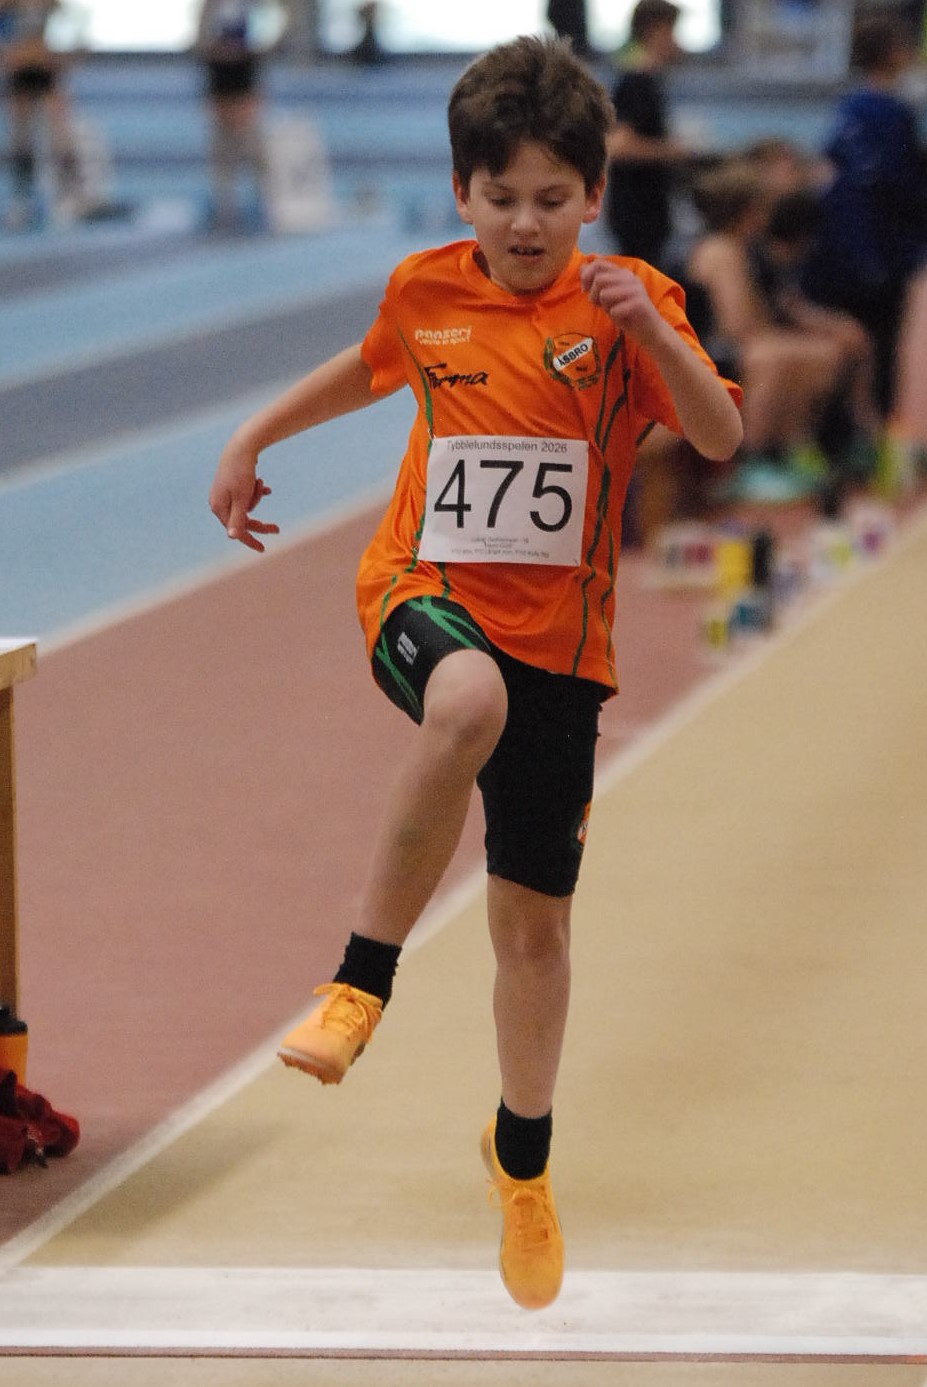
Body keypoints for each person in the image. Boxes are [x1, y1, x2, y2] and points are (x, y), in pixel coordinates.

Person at [209, 35, 742, 1312]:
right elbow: (370, 365)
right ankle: (359, 983)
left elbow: (719, 432)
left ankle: (523, 1159)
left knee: (533, 933)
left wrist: (653, 341)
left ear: (595, 194)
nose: (524, 224)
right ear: (462, 191)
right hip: (422, 592)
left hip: (563, 643)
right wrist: (252, 436)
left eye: (552, 199)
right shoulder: (427, 289)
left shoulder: (630, 303)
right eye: (500, 198)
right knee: (466, 697)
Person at [687, 159, 876, 499]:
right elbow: (736, 327)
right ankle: (749, 461)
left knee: (821, 354)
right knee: (773, 356)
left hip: (747, 341)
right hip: (707, 347)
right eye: (761, 207)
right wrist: (783, 334)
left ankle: (787, 450)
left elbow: (783, 304)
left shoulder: (750, 250)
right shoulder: (719, 251)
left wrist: (821, 328)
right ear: (747, 210)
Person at [801, 15, 927, 417]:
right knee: (881, 342)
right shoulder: (890, 111)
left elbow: (832, 166)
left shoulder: (851, 107)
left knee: (867, 340)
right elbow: (897, 181)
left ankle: (862, 425)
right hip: (879, 247)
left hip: (850, 243)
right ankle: (877, 427)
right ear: (893, 53)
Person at [604, 0, 690, 270]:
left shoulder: (644, 80)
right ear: (656, 31)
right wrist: (672, 151)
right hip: (638, 210)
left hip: (643, 209)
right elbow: (619, 146)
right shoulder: (638, 82)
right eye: (673, 31)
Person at [195, 0, 288, 230]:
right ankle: (225, 210)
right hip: (222, 97)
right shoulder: (211, 10)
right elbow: (201, 42)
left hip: (246, 98)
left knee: (257, 158)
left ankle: (263, 206)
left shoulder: (256, 10)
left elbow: (276, 27)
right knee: (222, 162)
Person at [0, 0, 80, 229]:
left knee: (60, 134)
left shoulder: (49, 3)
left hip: (45, 70)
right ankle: (22, 200)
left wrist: (67, 57)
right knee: (21, 139)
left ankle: (67, 196)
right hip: (20, 71)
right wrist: (8, 55)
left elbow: (75, 24)